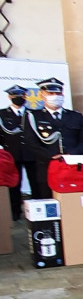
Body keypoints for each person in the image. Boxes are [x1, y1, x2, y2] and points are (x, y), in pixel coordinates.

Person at [23, 77, 83, 198]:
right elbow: (31, 143)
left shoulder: (75, 116)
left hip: (73, 166)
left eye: (58, 93)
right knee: (50, 204)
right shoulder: (33, 116)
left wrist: (71, 154)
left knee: (73, 201)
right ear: (42, 95)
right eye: (51, 93)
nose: (55, 96)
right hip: (47, 167)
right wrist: (51, 157)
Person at [1, 85, 30, 218]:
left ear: (25, 97)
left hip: (31, 154)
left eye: (21, 96)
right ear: (9, 97)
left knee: (36, 183)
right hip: (12, 154)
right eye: (15, 96)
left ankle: (36, 210)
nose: (18, 98)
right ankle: (15, 212)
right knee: (14, 185)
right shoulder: (2, 114)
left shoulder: (32, 113)